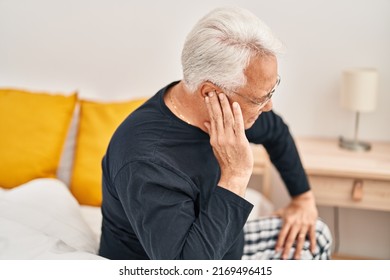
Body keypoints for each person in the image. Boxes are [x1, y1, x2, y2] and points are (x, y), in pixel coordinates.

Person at [98, 6, 332, 260]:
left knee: (315, 236)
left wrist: (303, 199)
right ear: (211, 93)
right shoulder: (146, 160)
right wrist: (235, 176)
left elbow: (276, 131)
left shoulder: (224, 114)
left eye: (272, 90)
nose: (268, 106)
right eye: (260, 99)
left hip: (223, 244)